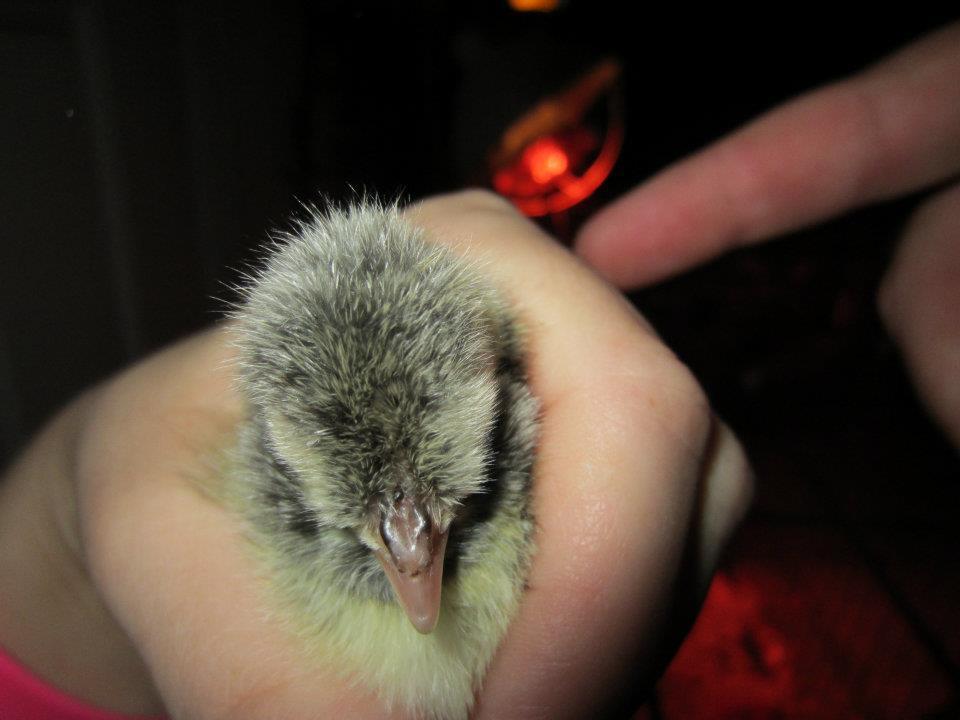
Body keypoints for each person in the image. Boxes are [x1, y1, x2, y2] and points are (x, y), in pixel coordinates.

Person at [0, 21, 956, 720]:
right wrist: (68, 504)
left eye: (487, 445)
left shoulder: (542, 469)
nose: (413, 561)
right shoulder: (218, 514)